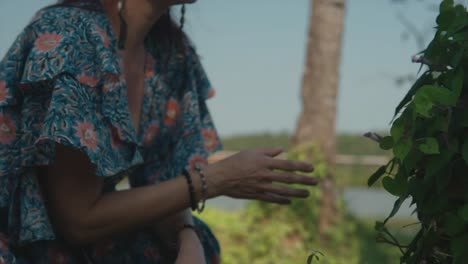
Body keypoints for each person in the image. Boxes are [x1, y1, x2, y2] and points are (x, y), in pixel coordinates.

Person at [0, 0, 318, 263]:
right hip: (20, 241)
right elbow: (77, 221)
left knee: (198, 242)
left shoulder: (169, 54)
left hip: (76, 240)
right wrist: (218, 179)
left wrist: (187, 238)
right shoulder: (72, 34)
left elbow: (167, 185)